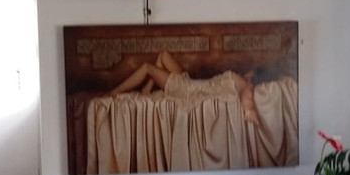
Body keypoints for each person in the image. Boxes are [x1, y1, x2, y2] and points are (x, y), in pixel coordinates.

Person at [109, 49, 261, 125]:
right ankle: (146, 91)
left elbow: (246, 94)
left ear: (252, 77)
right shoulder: (239, 80)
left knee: (147, 67)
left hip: (187, 90)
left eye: (250, 73)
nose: (247, 72)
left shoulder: (244, 84)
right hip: (191, 83)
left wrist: (249, 110)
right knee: (163, 54)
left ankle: (114, 91)